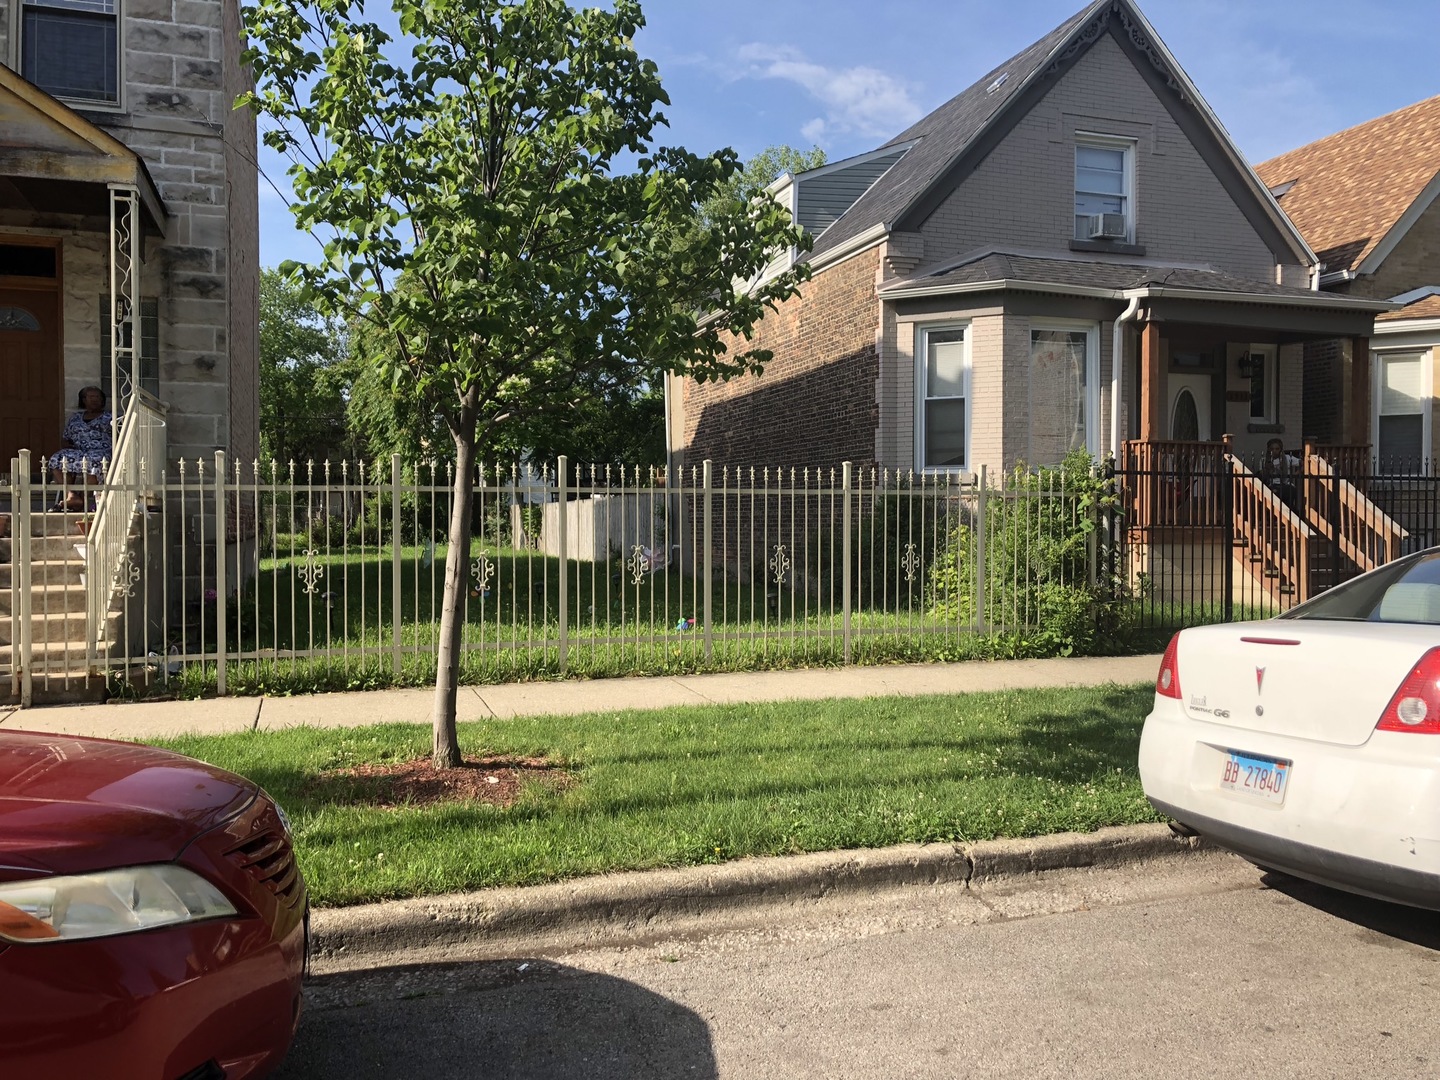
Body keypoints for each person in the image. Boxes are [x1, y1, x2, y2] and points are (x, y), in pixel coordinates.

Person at [48, 386, 112, 510]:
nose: (95, 400)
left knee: (94, 462)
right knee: (57, 459)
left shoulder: (110, 417)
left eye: (98, 397)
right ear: (83, 400)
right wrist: (68, 446)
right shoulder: (75, 418)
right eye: (91, 397)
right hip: (79, 451)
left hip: (101, 452)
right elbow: (66, 438)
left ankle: (82, 499)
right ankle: (71, 495)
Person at [1260, 438, 1300, 512]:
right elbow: (1262, 475)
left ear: (1280, 449)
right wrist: (1267, 469)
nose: (1274, 451)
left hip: (1286, 484)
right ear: (1268, 449)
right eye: (1272, 449)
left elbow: (1303, 463)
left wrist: (1295, 474)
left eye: (1277, 449)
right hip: (1271, 484)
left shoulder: (1287, 458)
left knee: (1289, 492)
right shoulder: (1264, 460)